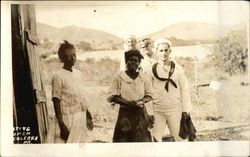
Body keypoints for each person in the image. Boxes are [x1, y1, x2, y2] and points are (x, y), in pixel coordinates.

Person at [147, 38, 192, 142]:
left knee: (180, 139)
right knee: (154, 139)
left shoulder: (177, 68)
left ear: (170, 51)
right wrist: (150, 112)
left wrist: (186, 109)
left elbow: (184, 89)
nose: (164, 53)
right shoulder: (151, 70)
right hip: (157, 110)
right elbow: (148, 92)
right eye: (161, 51)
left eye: (166, 50)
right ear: (156, 52)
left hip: (175, 109)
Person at [108, 49, 154, 142]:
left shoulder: (144, 77)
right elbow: (113, 96)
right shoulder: (119, 76)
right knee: (123, 142)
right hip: (125, 114)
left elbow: (149, 95)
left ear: (139, 63)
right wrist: (130, 103)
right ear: (126, 62)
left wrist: (141, 101)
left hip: (140, 114)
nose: (133, 63)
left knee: (141, 142)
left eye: (136, 61)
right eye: (130, 60)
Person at [51, 40, 93, 143]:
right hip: (67, 119)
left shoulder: (78, 73)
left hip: (80, 116)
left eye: (74, 55)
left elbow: (81, 97)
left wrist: (87, 114)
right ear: (62, 58)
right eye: (69, 56)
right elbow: (56, 100)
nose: (73, 58)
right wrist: (62, 126)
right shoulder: (58, 76)